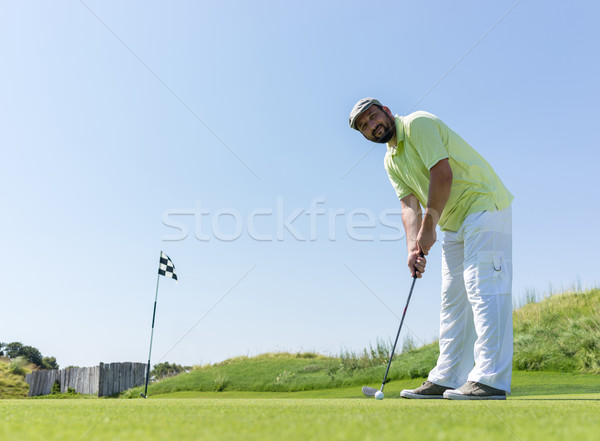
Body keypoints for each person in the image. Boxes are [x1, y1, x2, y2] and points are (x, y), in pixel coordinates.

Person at [349, 98, 514, 400]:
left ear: (386, 111)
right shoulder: (391, 160)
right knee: (452, 299)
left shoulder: (416, 124)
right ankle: (447, 377)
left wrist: (429, 227)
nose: (372, 126)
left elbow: (442, 174)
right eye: (364, 126)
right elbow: (408, 204)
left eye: (372, 117)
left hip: (483, 205)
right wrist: (413, 247)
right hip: (453, 221)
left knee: (483, 286)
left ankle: (491, 379)